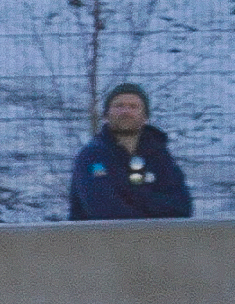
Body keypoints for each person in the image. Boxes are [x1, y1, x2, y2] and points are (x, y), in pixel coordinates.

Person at [68, 84, 194, 221]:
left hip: (157, 240)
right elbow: (104, 210)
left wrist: (132, 194)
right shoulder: (93, 157)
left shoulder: (160, 156)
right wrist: (152, 203)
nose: (125, 111)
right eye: (119, 106)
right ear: (106, 115)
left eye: (133, 107)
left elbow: (182, 206)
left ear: (145, 117)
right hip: (99, 240)